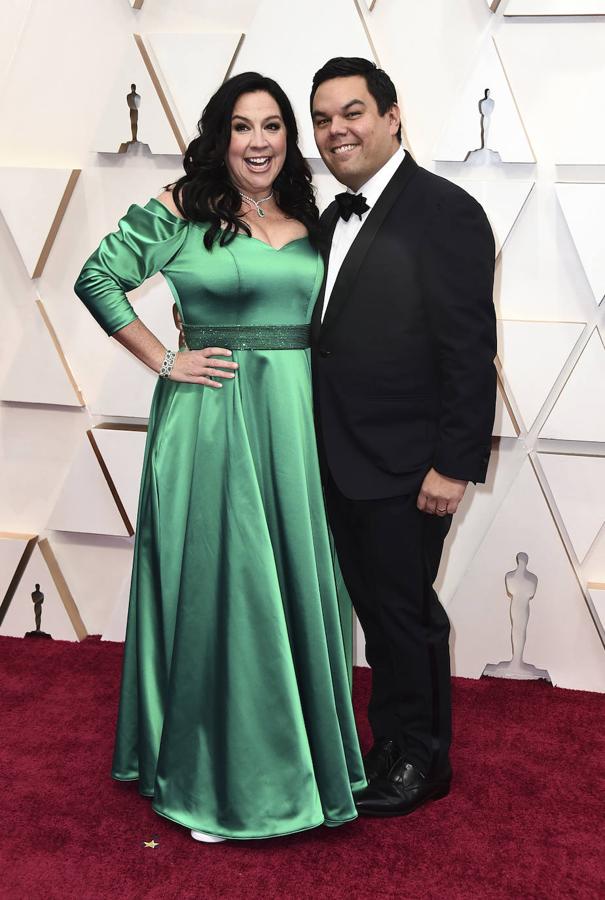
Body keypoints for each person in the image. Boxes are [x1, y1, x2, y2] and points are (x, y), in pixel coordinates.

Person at [74, 71, 365, 843]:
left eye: (272, 126)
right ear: (219, 136)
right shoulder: (181, 206)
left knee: (302, 584)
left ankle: (306, 765)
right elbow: (97, 277)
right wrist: (164, 360)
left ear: (288, 136)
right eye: (242, 127)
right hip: (212, 423)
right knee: (225, 592)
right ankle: (213, 778)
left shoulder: (313, 211)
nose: (259, 141)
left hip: (298, 424)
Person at [309, 58, 497, 817]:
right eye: (322, 119)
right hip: (337, 458)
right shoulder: (330, 217)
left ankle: (423, 758)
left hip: (406, 465)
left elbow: (467, 347)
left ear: (392, 116)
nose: (334, 131)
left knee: (405, 614)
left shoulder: (444, 211)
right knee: (376, 609)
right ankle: (387, 742)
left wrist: (452, 465)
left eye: (351, 112)